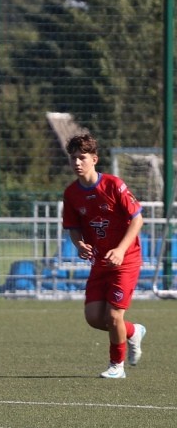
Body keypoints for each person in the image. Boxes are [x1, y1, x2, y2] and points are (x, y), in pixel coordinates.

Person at [62, 133, 147, 379]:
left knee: (113, 316)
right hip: (99, 262)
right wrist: (79, 245)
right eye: (73, 158)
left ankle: (116, 366)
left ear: (94, 159)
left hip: (126, 260)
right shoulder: (71, 194)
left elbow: (137, 219)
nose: (77, 162)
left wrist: (120, 250)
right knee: (93, 318)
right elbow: (73, 228)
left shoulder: (113, 185)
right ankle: (133, 331)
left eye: (82, 157)